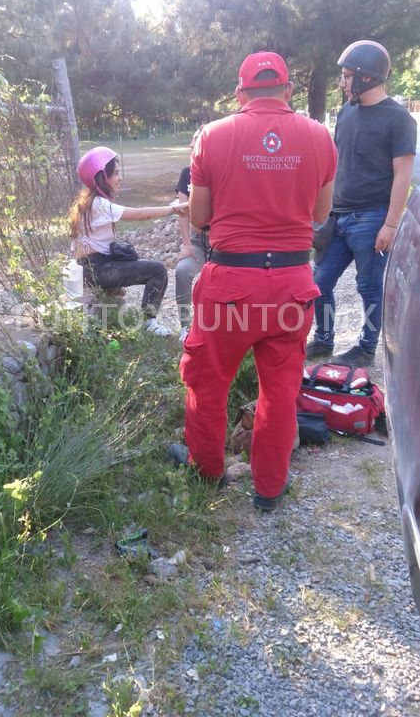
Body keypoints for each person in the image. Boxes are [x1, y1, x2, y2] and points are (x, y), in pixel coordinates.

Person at [169, 51, 337, 511]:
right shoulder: (321, 137)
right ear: (287, 91)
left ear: (240, 94)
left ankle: (207, 473)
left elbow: (200, 216)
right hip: (291, 285)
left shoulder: (212, 136)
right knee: (280, 391)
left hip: (231, 285)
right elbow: (320, 215)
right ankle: (269, 488)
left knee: (208, 382)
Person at [306, 40, 417, 366]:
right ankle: (323, 340)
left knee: (369, 287)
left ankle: (367, 348)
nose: (342, 82)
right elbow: (338, 164)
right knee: (318, 283)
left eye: (346, 75)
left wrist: (391, 224)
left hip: (372, 218)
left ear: (366, 77)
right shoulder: (346, 112)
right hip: (338, 216)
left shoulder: (399, 120)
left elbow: (402, 176)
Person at [69, 146, 188, 336]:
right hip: (97, 270)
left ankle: (146, 322)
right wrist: (174, 209)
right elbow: (142, 214)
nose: (120, 178)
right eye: (115, 173)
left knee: (135, 258)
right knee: (157, 270)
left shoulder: (88, 202)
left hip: (91, 267)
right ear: (102, 177)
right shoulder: (98, 204)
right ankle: (149, 323)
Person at [174, 127, 210, 343]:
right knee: (181, 271)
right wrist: (186, 244)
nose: (191, 145)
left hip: (221, 243)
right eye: (192, 140)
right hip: (197, 241)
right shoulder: (186, 173)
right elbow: (182, 212)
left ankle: (218, 327)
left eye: (196, 140)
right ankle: (186, 327)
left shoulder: (222, 171)